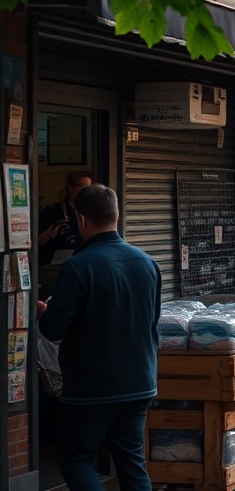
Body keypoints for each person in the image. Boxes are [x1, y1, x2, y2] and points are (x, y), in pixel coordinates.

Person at [37, 184, 161, 491]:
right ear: (116, 215)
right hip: (140, 382)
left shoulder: (77, 267)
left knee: (77, 459)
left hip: (92, 388)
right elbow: (152, 324)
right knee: (132, 463)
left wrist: (44, 313)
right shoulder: (148, 263)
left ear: (80, 220)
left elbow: (53, 330)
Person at [37, 170, 93, 267]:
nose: (86, 191)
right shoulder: (52, 211)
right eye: (82, 187)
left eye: (89, 188)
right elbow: (37, 241)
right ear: (70, 188)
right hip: (53, 266)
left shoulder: (91, 212)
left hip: (82, 263)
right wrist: (46, 236)